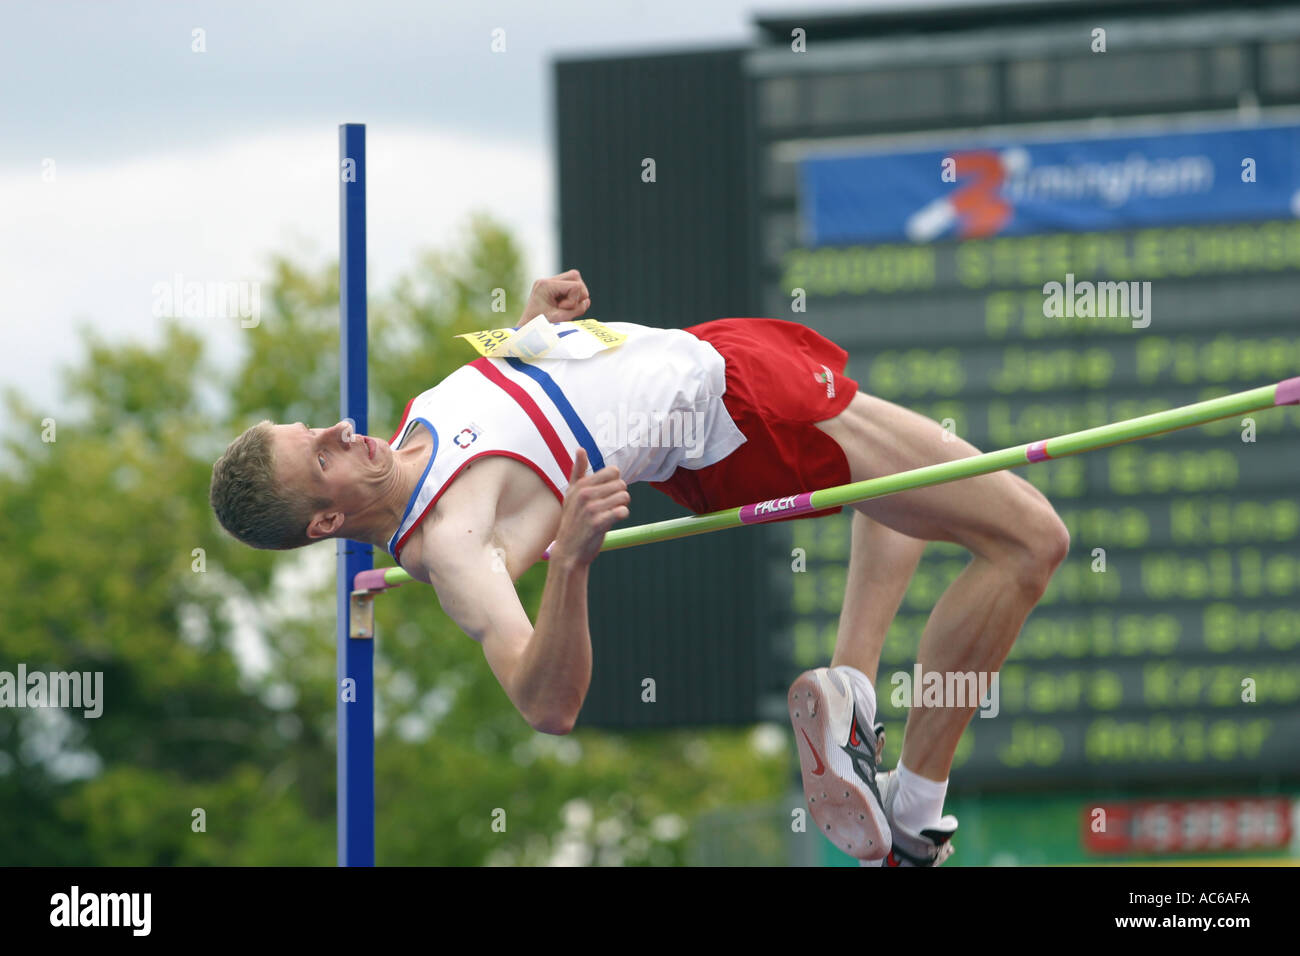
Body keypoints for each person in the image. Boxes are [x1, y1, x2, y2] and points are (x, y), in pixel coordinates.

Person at [209, 269, 1069, 866]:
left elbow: (521, 407)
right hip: (736, 406)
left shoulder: (409, 434)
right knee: (1029, 541)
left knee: (904, 503)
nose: (332, 430)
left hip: (713, 382)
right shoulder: (456, 547)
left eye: (308, 427)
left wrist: (531, 324)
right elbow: (547, 704)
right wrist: (572, 564)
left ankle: (851, 693)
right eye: (316, 455)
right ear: (326, 519)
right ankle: (914, 819)